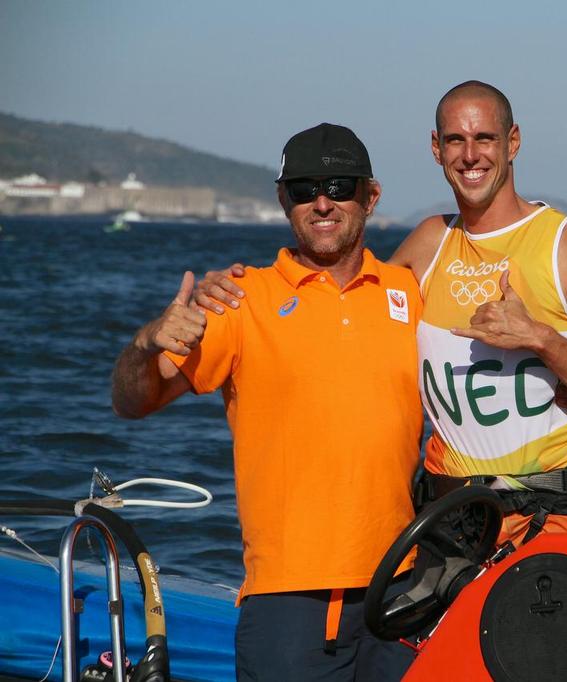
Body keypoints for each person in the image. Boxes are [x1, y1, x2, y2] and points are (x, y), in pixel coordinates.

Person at [197, 80, 567, 547]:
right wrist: (239, 291)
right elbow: (338, 302)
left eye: (485, 139)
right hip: (451, 518)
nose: (470, 155)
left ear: (512, 142)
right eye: (455, 140)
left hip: (552, 511)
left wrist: (543, 340)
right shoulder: (429, 243)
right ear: (437, 149)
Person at [111, 123, 421, 681]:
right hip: (288, 598)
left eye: (339, 185)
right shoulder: (239, 299)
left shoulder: (409, 293)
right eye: (304, 190)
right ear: (284, 201)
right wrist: (146, 340)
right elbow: (134, 401)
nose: (322, 203)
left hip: (402, 588)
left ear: (370, 196)